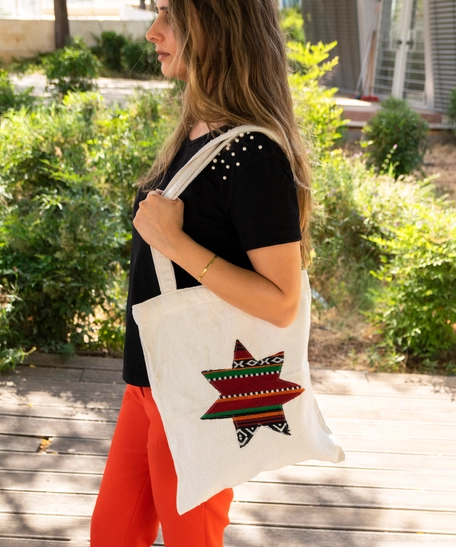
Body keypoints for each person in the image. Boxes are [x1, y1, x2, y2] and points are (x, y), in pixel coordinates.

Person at [90, 0, 312, 545]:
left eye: (168, 14)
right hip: (150, 382)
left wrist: (176, 243)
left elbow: (283, 300)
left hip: (204, 390)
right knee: (111, 537)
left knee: (193, 538)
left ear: (214, 22)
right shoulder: (197, 132)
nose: (152, 32)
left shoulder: (252, 153)